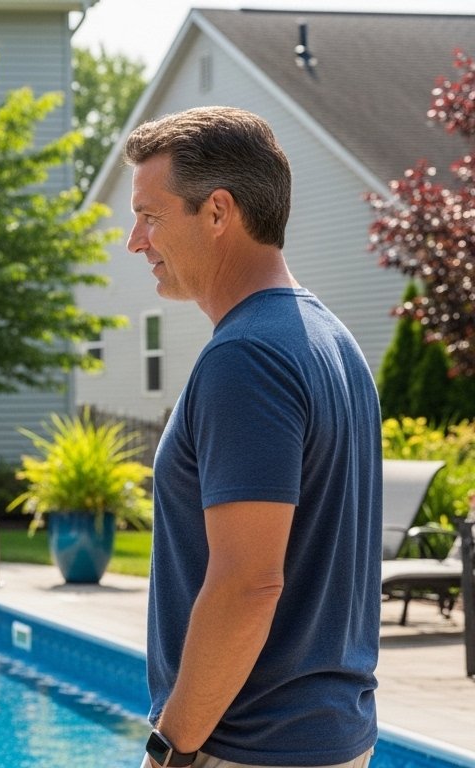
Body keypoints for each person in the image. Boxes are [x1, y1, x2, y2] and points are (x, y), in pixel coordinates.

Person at [124, 107, 381, 768]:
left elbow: (248, 584)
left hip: (251, 749)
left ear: (217, 212)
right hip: (328, 738)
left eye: (150, 216)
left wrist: (171, 750)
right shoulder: (333, 342)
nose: (135, 241)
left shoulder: (246, 358)